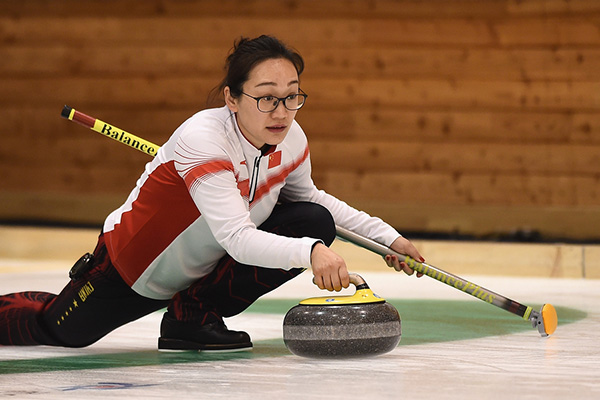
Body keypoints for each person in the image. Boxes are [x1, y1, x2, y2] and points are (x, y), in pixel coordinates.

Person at [0, 35, 424, 351]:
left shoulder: (291, 138)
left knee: (312, 219)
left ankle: (192, 315)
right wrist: (311, 253)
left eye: (292, 97)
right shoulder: (203, 139)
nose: (282, 112)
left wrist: (389, 238)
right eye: (266, 98)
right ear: (232, 98)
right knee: (61, 331)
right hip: (132, 270)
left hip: (201, 269)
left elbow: (311, 200)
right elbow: (237, 238)